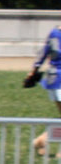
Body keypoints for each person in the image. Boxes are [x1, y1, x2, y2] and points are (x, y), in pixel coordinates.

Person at [29, 23, 61, 155]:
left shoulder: (54, 33)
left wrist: (33, 70)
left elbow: (43, 53)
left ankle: (43, 139)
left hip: (53, 79)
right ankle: (44, 139)